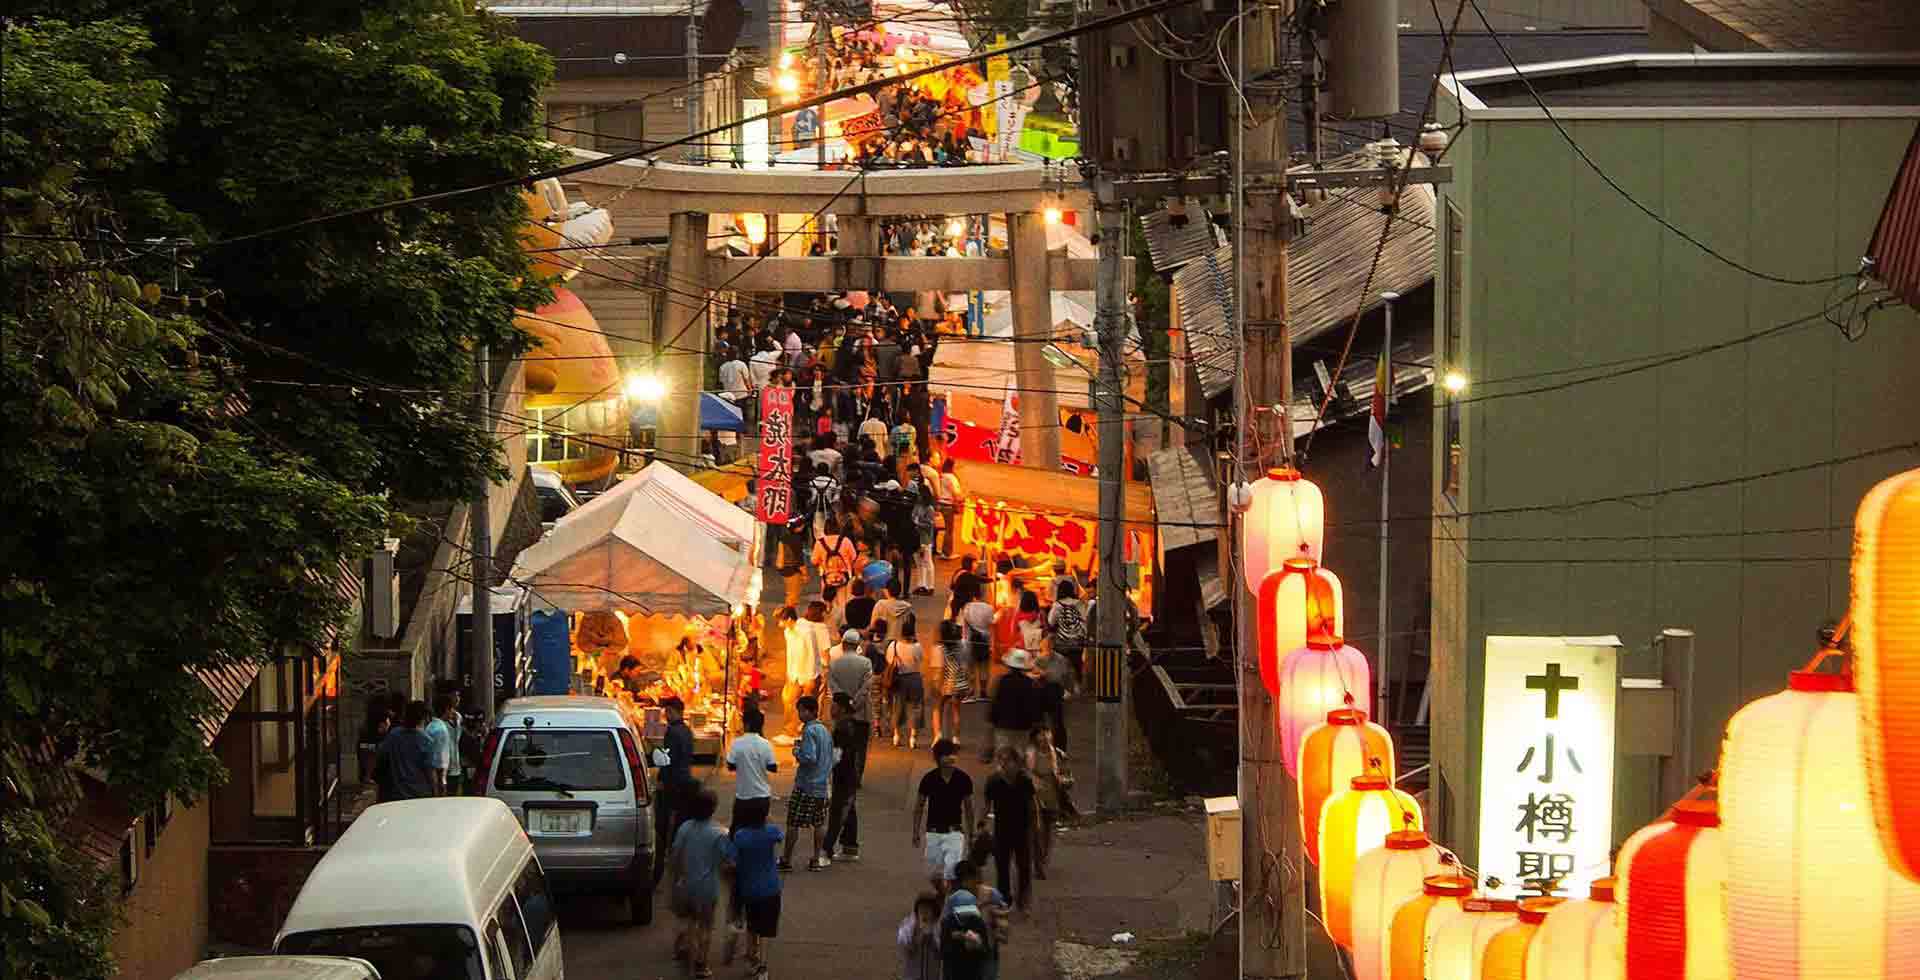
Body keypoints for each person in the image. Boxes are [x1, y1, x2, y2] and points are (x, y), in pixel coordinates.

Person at [666, 788, 734, 980]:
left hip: (685, 884)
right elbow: (727, 861)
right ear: (713, 809)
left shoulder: (685, 827)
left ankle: (683, 946)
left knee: (686, 919)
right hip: (707, 888)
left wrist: (674, 878)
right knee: (705, 926)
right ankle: (701, 965)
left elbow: (675, 855)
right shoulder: (720, 833)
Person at [726, 802, 783, 980]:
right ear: (764, 816)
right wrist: (769, 820)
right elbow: (780, 835)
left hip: (749, 889)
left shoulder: (741, 836)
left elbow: (732, 859)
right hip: (771, 888)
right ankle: (763, 967)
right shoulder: (771, 832)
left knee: (752, 926)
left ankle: (751, 960)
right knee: (766, 930)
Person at [913, 738, 976, 896]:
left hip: (955, 832)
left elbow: (969, 808)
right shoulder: (928, 779)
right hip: (933, 831)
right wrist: (916, 832)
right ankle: (945, 895)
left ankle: (949, 901)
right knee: (932, 874)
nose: (950, 758)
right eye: (946, 755)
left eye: (953, 754)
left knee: (951, 870)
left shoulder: (963, 779)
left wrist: (971, 833)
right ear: (938, 758)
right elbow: (919, 806)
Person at [781, 696, 834, 871]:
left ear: (810, 711)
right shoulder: (825, 731)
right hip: (822, 786)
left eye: (801, 710)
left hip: (806, 785)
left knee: (793, 822)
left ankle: (787, 860)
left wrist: (797, 751)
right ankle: (816, 859)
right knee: (819, 823)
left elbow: (809, 757)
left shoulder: (809, 731)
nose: (799, 714)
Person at [983, 747, 1038, 913]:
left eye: (1007, 760)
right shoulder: (993, 782)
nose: (1003, 764)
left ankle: (1023, 899)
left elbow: (1032, 804)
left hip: (1022, 829)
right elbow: (986, 806)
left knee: (1024, 866)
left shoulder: (1025, 780)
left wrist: (1035, 826)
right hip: (1002, 830)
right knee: (1002, 867)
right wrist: (980, 826)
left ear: (1016, 763)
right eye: (1000, 760)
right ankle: (1004, 900)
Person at [654, 696, 699, 883]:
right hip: (685, 778)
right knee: (681, 817)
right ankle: (680, 851)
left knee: (663, 818)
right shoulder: (687, 730)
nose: (665, 714)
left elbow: (667, 759)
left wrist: (661, 779)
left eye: (667, 711)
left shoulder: (672, 732)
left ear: (672, 711)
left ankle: (664, 851)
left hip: (673, 780)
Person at [823, 692, 865, 864]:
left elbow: (837, 755)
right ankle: (850, 847)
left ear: (840, 708)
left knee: (838, 812)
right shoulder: (853, 725)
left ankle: (826, 850)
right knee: (848, 810)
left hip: (844, 776)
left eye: (832, 706)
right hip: (851, 775)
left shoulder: (842, 728)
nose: (830, 709)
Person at [779, 604, 831, 740]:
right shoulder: (788, 632)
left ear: (789, 620)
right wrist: (789, 674)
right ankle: (789, 731)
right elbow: (790, 653)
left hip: (809, 674)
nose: (780, 624)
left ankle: (809, 733)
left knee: (807, 706)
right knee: (788, 699)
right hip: (795, 673)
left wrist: (811, 678)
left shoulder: (807, 632)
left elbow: (813, 655)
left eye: (782, 621)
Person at [1028, 726, 1075, 877]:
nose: (1045, 739)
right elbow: (1027, 772)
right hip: (1035, 794)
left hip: (1053, 794)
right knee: (1036, 828)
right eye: (1041, 736)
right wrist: (1035, 782)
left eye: (1047, 735)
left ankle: (1043, 858)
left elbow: (1067, 775)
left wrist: (1064, 781)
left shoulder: (1058, 754)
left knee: (1049, 828)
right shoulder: (1031, 754)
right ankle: (1037, 862)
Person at [939, 863, 998, 980]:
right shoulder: (952, 901)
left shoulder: (989, 894)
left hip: (977, 960)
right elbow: (943, 942)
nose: (978, 882)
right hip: (955, 965)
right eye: (974, 879)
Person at [725, 708, 778, 832]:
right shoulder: (766, 744)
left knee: (737, 830)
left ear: (746, 724)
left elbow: (730, 765)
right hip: (762, 796)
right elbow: (773, 767)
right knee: (759, 831)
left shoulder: (737, 743)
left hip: (743, 796)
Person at [372, 700, 436, 802]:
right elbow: (430, 772)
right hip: (419, 795)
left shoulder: (393, 735)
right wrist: (435, 793)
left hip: (395, 794)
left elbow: (381, 757)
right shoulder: (426, 741)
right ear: (424, 718)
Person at [987, 650, 1045, 762]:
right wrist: (1038, 724)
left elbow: (995, 704)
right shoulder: (1030, 683)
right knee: (1019, 755)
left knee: (1003, 756)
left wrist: (992, 722)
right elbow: (1034, 707)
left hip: (1003, 726)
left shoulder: (1002, 681)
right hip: (1023, 727)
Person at [887, 613, 928, 749]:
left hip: (899, 679)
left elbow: (889, 661)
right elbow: (921, 660)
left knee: (897, 707)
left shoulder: (894, 645)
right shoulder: (917, 646)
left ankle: (897, 736)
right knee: (916, 707)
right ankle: (913, 737)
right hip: (915, 678)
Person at [1047, 579, 1090, 695]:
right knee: (1076, 663)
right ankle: (1077, 686)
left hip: (1063, 640)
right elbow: (1085, 620)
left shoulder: (1057, 605)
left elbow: (1050, 622)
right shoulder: (1080, 603)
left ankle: (1066, 689)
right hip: (1077, 640)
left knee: (1062, 663)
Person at [934, 619, 969, 745]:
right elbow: (967, 663)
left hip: (947, 684)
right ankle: (956, 738)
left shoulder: (941, 648)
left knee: (938, 707)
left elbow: (941, 669)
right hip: (961, 683)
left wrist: (938, 684)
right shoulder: (963, 645)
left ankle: (938, 735)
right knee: (956, 710)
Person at [959, 592, 996, 703]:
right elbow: (991, 626)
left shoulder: (967, 607)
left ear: (974, 596)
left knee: (971, 668)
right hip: (984, 642)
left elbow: (964, 627)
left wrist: (964, 642)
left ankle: (971, 692)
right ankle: (983, 693)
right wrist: (992, 644)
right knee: (984, 667)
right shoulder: (989, 608)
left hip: (970, 641)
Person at [896, 893, 943, 980]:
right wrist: (918, 933)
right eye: (922, 908)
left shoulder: (938, 928)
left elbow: (941, 952)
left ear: (934, 912)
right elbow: (905, 947)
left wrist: (931, 935)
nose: (924, 911)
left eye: (928, 908)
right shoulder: (907, 926)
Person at [422, 693, 456, 795]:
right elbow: (439, 764)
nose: (453, 712)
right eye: (452, 709)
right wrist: (441, 787)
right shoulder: (441, 730)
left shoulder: (430, 726)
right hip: (438, 782)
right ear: (446, 709)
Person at [871, 579, 914, 645]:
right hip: (901, 643)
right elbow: (910, 630)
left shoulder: (880, 604)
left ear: (887, 591)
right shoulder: (907, 607)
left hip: (882, 643)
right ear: (900, 591)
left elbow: (872, 625)